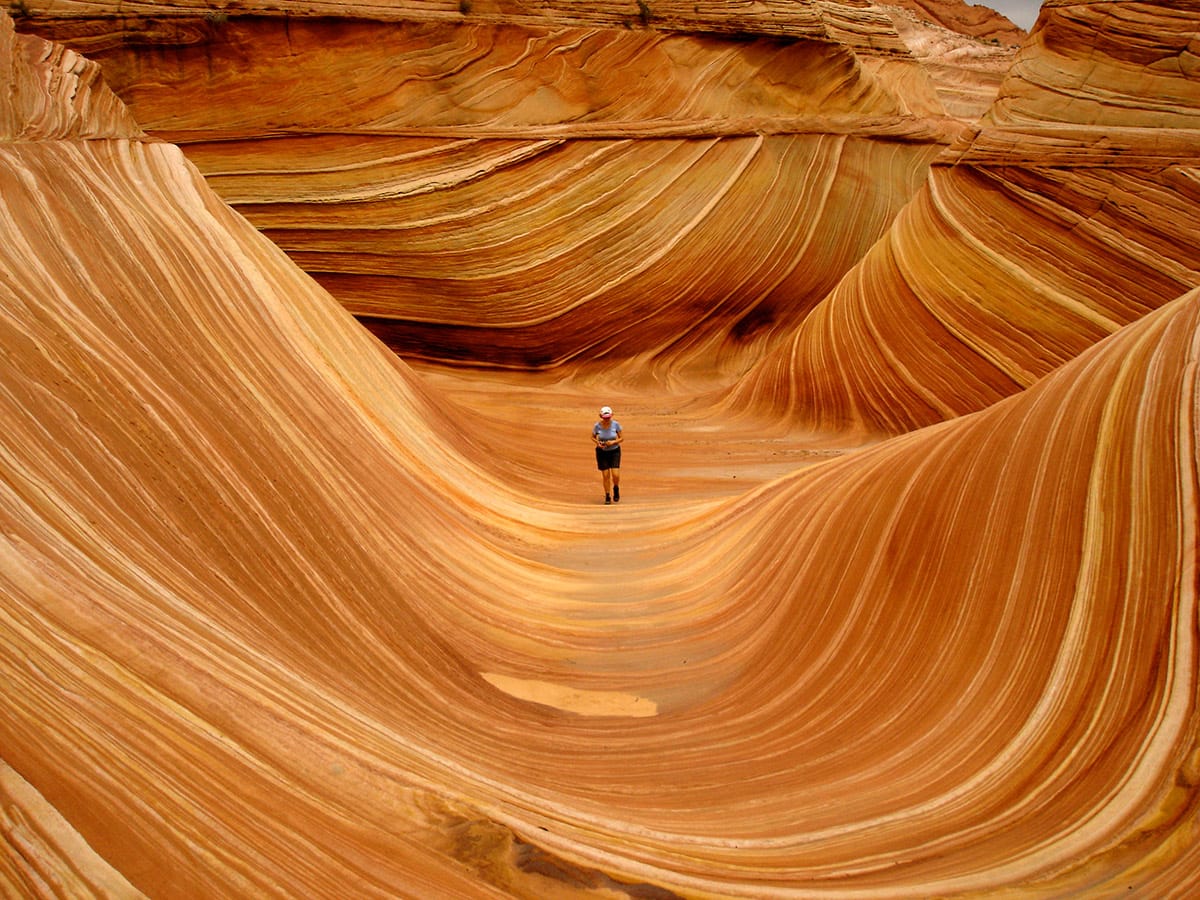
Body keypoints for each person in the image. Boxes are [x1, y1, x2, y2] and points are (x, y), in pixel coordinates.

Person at [592, 405, 623, 504]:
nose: (607, 419)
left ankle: (616, 488)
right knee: (605, 475)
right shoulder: (597, 426)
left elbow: (621, 438)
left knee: (615, 474)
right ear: (601, 416)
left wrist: (613, 442)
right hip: (602, 452)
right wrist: (597, 443)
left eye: (608, 417)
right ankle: (607, 495)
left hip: (614, 451)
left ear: (612, 416)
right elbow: (592, 437)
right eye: (605, 418)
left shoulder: (616, 425)